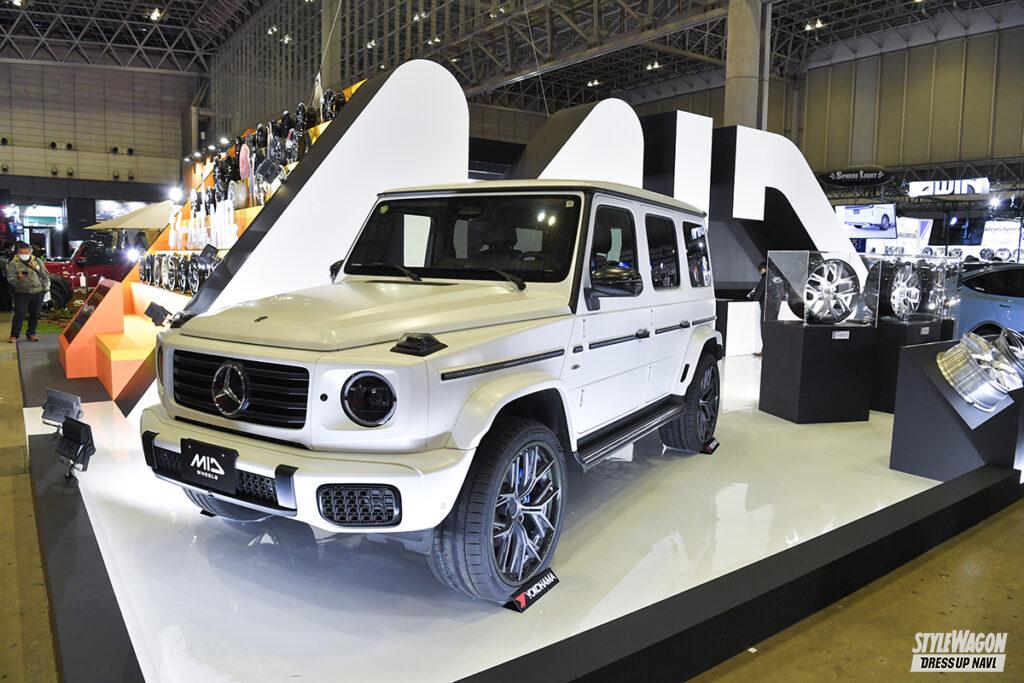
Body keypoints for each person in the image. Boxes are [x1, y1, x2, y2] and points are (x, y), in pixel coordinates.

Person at [6, 241, 49, 343]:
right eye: (22, 253)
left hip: (38, 291)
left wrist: (45, 289)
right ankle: (14, 335)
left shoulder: (37, 261)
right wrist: (18, 278)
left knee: (35, 314)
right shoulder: (13, 263)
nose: (24, 255)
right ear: (18, 252)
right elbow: (10, 279)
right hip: (22, 292)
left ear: (30, 252)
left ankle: (31, 334)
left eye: (26, 253)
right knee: (19, 314)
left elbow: (45, 275)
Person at [747, 261, 769, 358]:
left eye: (760, 270)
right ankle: (768, 350)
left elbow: (758, 294)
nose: (760, 272)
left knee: (765, 330)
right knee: (771, 330)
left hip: (765, 308)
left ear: (764, 269)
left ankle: (765, 351)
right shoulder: (775, 278)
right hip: (774, 308)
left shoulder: (765, 279)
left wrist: (753, 296)